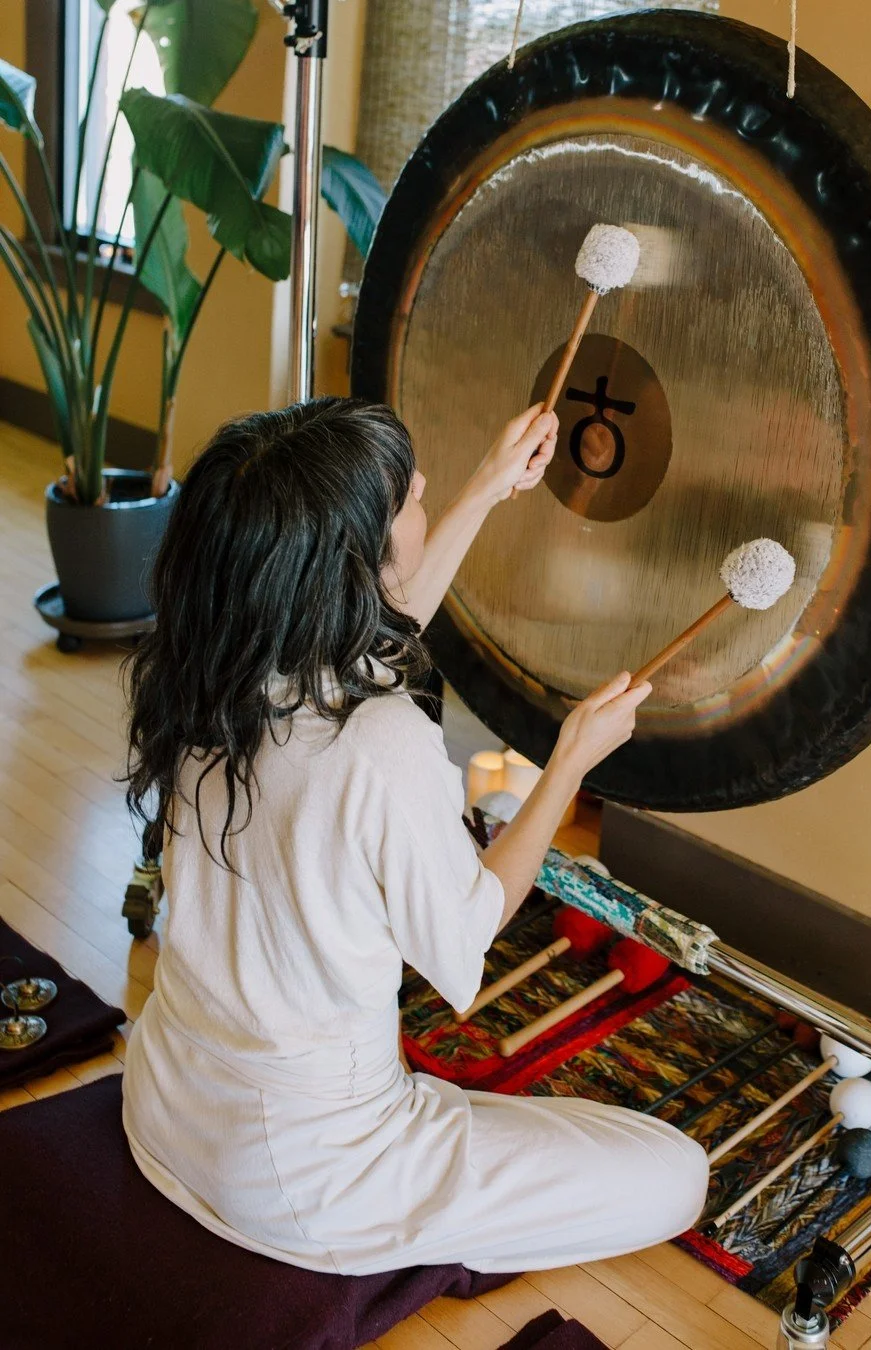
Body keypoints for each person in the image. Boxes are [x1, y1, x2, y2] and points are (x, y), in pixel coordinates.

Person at [122, 397, 709, 1276]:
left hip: (166, 1108)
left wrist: (482, 490)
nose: (425, 494)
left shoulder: (221, 661)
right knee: (677, 1172)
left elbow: (371, 639)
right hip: (314, 1180)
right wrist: (568, 764)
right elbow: (462, 942)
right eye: (413, 501)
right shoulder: (381, 740)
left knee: (549, 1133)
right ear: (355, 566)